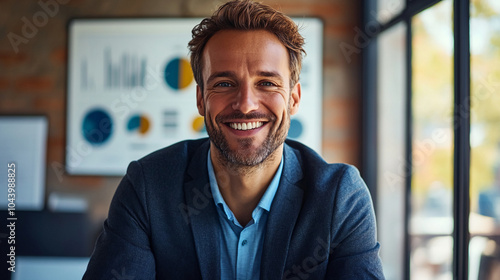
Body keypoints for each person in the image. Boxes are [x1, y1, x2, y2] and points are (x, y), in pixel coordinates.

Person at [83, 0, 385, 279]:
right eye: (225, 83)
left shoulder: (340, 197)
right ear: (201, 99)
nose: (245, 104)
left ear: (293, 99)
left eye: (266, 83)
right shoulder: (149, 187)